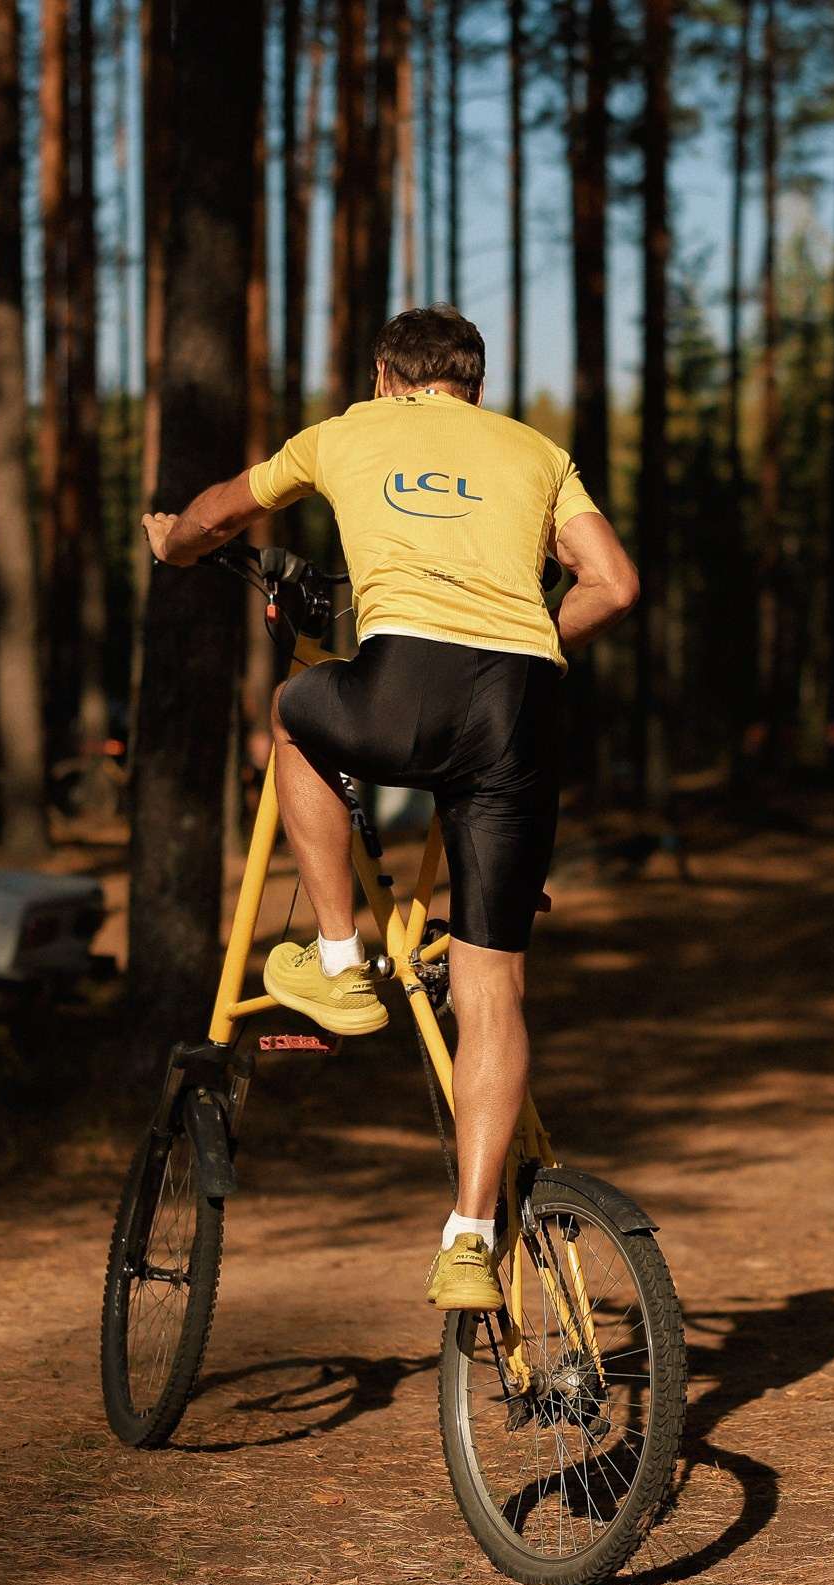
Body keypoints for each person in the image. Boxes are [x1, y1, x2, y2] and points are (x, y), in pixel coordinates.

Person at [141, 305, 640, 1313]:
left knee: (291, 715)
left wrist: (174, 544)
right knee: (490, 988)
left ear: (383, 376)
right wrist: (527, 631)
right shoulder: (537, 452)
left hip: (401, 684)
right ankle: (469, 1232)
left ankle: (335, 961)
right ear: (477, 387)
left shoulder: (343, 434)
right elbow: (616, 584)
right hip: (520, 708)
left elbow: (216, 514)